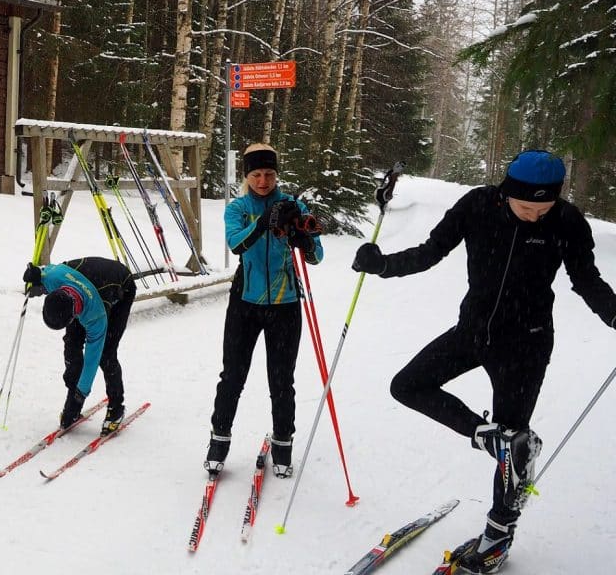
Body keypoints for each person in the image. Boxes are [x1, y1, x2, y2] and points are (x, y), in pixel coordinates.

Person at [352, 149, 616, 574]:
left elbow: (586, 278)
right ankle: (485, 436)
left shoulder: (567, 221)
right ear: (506, 192)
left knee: (516, 450)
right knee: (407, 385)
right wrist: (384, 265)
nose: (535, 216)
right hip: (473, 332)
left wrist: (613, 312)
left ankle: (497, 537)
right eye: (526, 207)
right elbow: (431, 251)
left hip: (526, 345)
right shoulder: (477, 205)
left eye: (543, 209)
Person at [205, 143, 323, 478]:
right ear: (247, 176)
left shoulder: (294, 205)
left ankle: (283, 443)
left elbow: (317, 256)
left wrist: (304, 240)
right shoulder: (238, 208)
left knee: (282, 379)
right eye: (256, 174)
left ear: (276, 174)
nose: (263, 181)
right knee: (232, 376)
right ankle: (219, 440)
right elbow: (236, 244)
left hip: (285, 305)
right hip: (245, 304)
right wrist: (262, 223)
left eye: (269, 174)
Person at [22, 256, 136, 435]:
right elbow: (45, 271)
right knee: (72, 345)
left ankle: (116, 408)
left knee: (106, 354)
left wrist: (79, 396)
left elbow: (91, 360)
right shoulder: (54, 278)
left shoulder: (96, 317)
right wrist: (36, 274)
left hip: (120, 286)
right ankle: (72, 402)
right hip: (83, 282)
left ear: (73, 316)